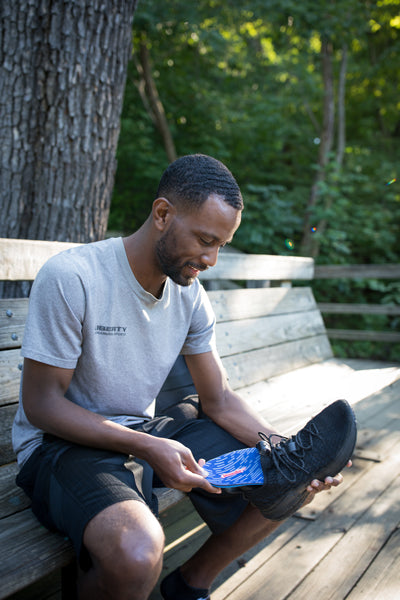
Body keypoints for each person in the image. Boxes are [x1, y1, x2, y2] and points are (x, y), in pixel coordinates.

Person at [12, 154, 350, 600]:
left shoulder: (190, 295)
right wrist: (147, 446)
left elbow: (220, 401)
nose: (210, 259)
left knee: (288, 481)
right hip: (63, 447)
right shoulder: (74, 276)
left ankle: (190, 584)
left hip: (145, 432)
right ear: (162, 213)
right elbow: (42, 406)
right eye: (205, 239)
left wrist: (285, 451)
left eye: (221, 246)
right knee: (137, 554)